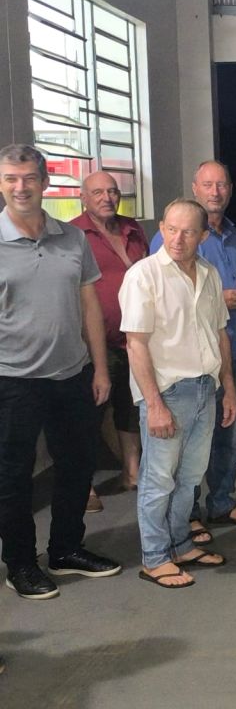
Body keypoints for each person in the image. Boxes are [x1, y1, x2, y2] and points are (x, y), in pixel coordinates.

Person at [0, 144, 121, 600]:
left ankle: (66, 549)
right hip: (13, 379)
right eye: (10, 178)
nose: (20, 187)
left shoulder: (71, 238)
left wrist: (99, 368)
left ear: (45, 183)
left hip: (72, 373)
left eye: (29, 178)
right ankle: (20, 563)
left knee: (77, 466)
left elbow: (89, 305)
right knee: (13, 476)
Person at [122, 198, 236, 588]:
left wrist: (229, 389)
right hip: (168, 393)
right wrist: (153, 404)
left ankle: (181, 544)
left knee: (189, 477)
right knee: (158, 480)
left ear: (203, 236)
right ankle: (155, 558)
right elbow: (136, 344)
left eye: (188, 231)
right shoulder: (144, 275)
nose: (178, 238)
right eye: (171, 229)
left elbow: (220, 334)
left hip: (207, 388)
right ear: (161, 228)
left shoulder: (208, 273)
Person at [152, 161, 236, 543]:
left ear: (231, 189)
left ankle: (221, 501)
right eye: (208, 184)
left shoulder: (234, 236)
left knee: (227, 437)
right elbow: (165, 302)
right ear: (195, 188)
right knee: (190, 443)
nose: (215, 192)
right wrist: (218, 300)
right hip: (191, 361)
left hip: (232, 351)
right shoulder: (173, 238)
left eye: (222, 185)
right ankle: (189, 514)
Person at [70, 171, 148, 497]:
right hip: (94, 343)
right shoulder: (73, 234)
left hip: (135, 339)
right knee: (89, 414)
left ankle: (132, 473)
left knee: (130, 408)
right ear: (83, 198)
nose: (107, 198)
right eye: (98, 192)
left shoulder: (133, 229)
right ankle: (82, 485)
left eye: (112, 191)